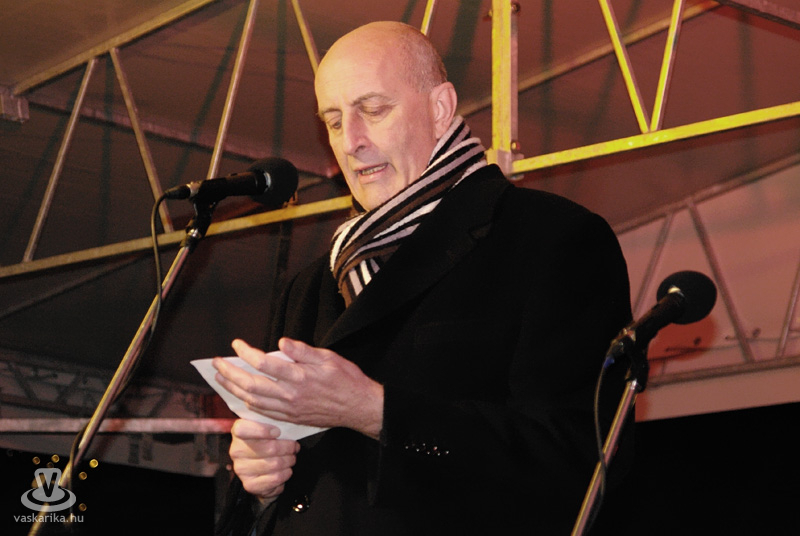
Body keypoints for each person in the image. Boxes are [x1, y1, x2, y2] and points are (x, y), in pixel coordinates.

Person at [213, 20, 633, 535]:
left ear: (440, 108)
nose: (352, 142)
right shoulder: (310, 286)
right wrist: (256, 485)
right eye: (334, 122)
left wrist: (375, 410)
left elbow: (578, 455)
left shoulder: (551, 239)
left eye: (373, 110)